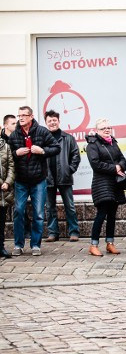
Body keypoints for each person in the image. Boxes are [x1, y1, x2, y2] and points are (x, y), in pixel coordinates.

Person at [8, 106, 60, 256]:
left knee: (38, 213)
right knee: (18, 211)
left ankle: (35, 245)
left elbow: (56, 147)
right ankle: (18, 244)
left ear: (31, 117)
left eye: (24, 115)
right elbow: (7, 157)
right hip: (21, 180)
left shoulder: (42, 131)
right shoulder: (15, 135)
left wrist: (43, 151)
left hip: (38, 180)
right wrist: (15, 153)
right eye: (19, 116)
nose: (21, 118)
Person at [85, 119, 126, 256]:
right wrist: (114, 168)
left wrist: (120, 166)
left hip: (115, 184)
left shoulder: (113, 142)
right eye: (103, 128)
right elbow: (95, 164)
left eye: (108, 127)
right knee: (101, 214)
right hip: (101, 184)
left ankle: (110, 243)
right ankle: (93, 245)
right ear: (97, 131)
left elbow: (122, 158)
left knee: (112, 215)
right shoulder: (92, 144)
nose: (107, 130)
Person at [43, 110, 81, 242]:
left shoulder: (68, 138)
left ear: (59, 121)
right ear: (46, 123)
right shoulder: (43, 138)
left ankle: (74, 232)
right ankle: (53, 233)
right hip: (47, 178)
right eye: (49, 121)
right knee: (50, 207)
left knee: (69, 206)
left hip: (64, 177)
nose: (52, 123)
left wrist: (69, 170)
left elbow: (76, 155)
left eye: (54, 120)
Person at [0, 131, 14, 258]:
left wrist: (8, 182)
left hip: (4, 192)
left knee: (1, 221)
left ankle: (1, 247)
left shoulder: (6, 146)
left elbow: (11, 166)